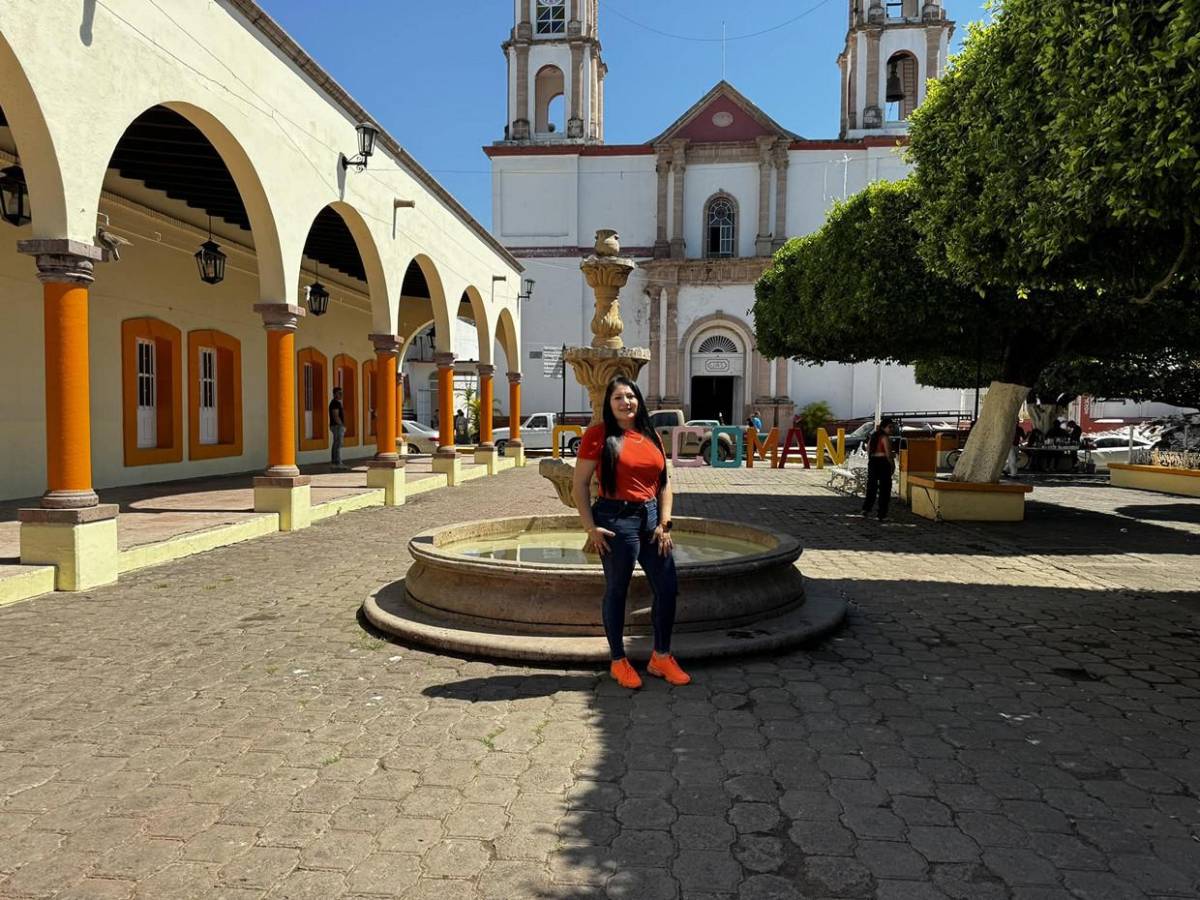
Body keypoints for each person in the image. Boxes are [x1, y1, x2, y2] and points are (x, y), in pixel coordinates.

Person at [573, 376, 689, 690]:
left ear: (638, 399)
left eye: (631, 396)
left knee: (667, 587)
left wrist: (664, 522)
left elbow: (664, 483)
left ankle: (661, 657)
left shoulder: (651, 435)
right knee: (617, 590)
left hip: (651, 519)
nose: (626, 402)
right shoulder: (598, 435)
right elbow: (579, 484)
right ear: (609, 405)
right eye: (618, 398)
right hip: (615, 519)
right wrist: (589, 526)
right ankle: (618, 661)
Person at [862, 418, 896, 521]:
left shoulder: (873, 437)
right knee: (885, 489)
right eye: (889, 427)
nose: (891, 429)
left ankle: (866, 509)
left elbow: (868, 450)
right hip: (883, 463)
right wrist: (892, 465)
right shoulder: (885, 438)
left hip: (873, 462)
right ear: (883, 427)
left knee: (871, 487)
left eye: (892, 427)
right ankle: (882, 514)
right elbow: (888, 454)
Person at [329, 387, 346, 469]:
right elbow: (335, 416)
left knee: (336, 443)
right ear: (335, 394)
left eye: (341, 393)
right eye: (339, 393)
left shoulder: (337, 403)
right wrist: (341, 425)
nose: (341, 395)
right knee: (338, 444)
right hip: (336, 426)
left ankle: (335, 462)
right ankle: (337, 462)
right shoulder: (335, 403)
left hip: (337, 426)